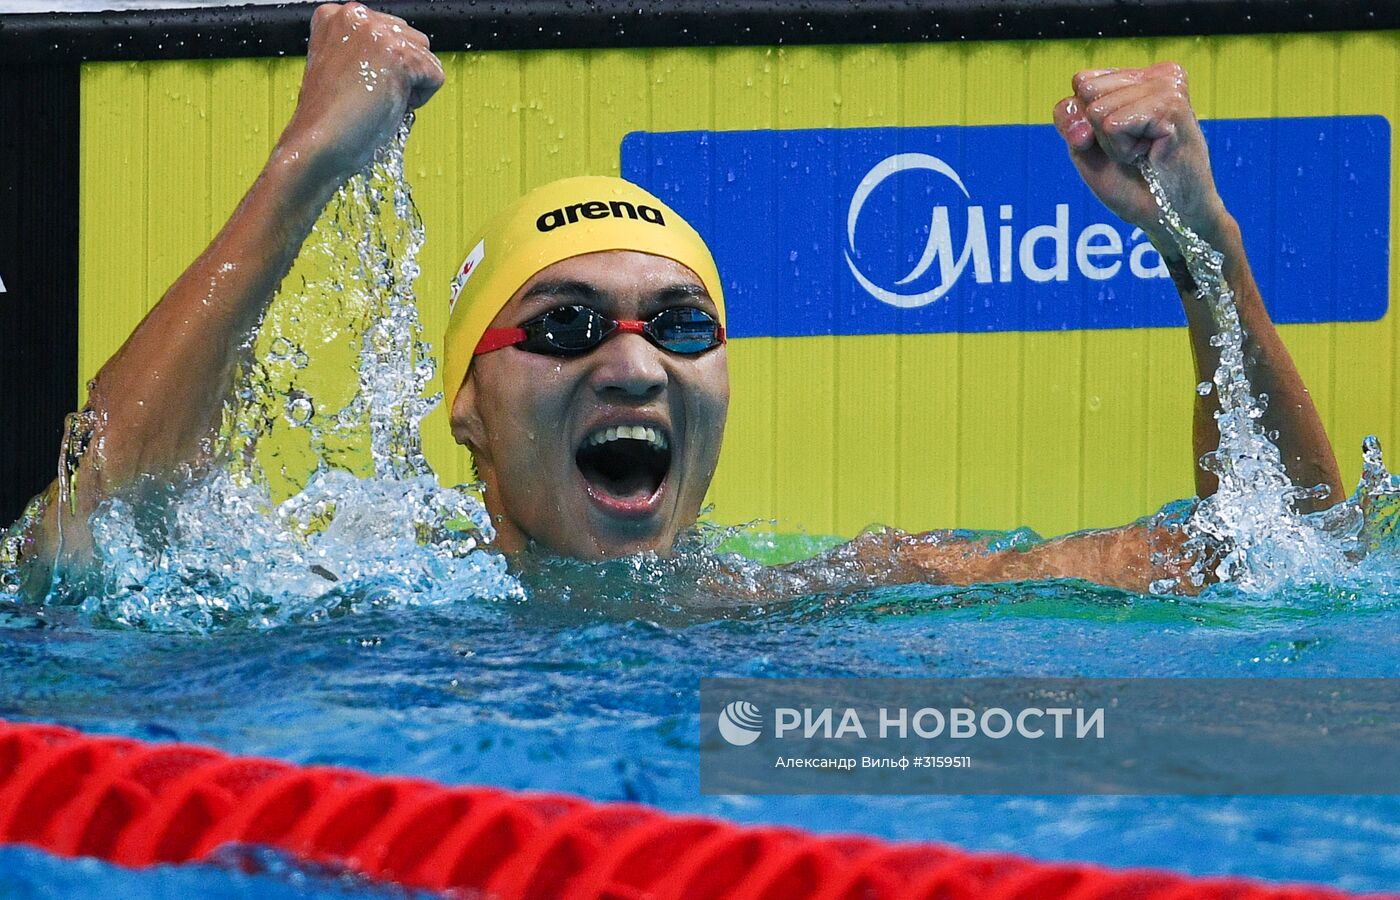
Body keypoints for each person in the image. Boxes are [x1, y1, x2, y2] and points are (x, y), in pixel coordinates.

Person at [7, 3, 1341, 597]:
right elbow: (81, 552)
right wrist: (304, 171)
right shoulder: (360, 600)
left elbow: (1280, 558)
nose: (633, 361)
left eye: (680, 321)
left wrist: (1204, 251)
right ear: (468, 410)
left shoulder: (850, 591)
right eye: (570, 325)